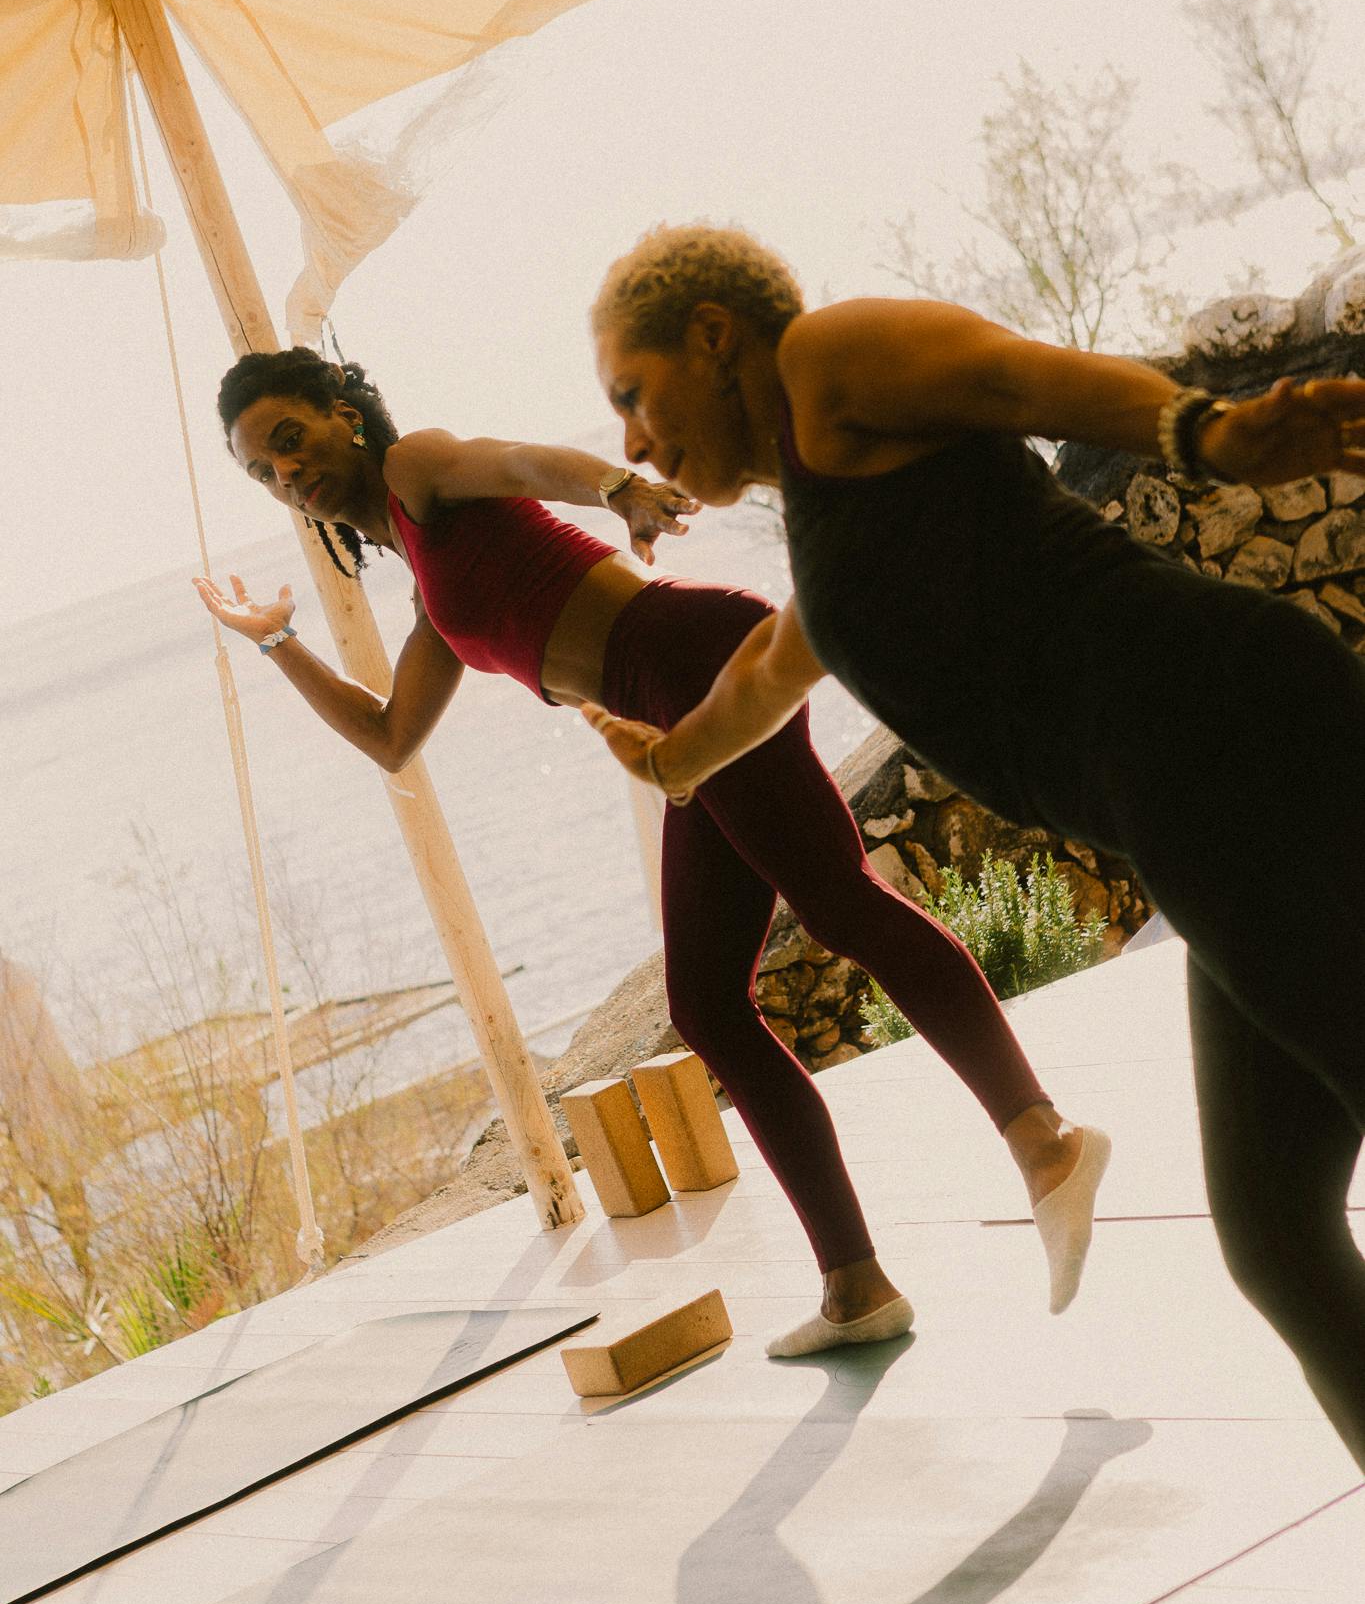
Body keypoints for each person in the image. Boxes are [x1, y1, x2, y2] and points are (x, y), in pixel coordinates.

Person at [584, 221, 1365, 1462]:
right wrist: (673, 760)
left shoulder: (831, 359)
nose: (629, 438)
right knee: (1275, 1232)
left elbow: (1015, 372)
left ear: (714, 335)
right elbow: (774, 665)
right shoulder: (834, 511)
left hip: (1225, 736)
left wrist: (1207, 433)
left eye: (632, 391)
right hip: (1182, 792)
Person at [197, 345, 1109, 1358]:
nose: (285, 471)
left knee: (839, 903)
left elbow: (518, 462)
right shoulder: (430, 588)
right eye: (261, 470)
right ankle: (856, 1281)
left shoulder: (419, 467)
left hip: (695, 658)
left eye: (289, 438)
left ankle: (1045, 1143)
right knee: (708, 1002)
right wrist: (277, 641)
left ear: (341, 411)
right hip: (679, 710)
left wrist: (618, 485)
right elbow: (388, 735)